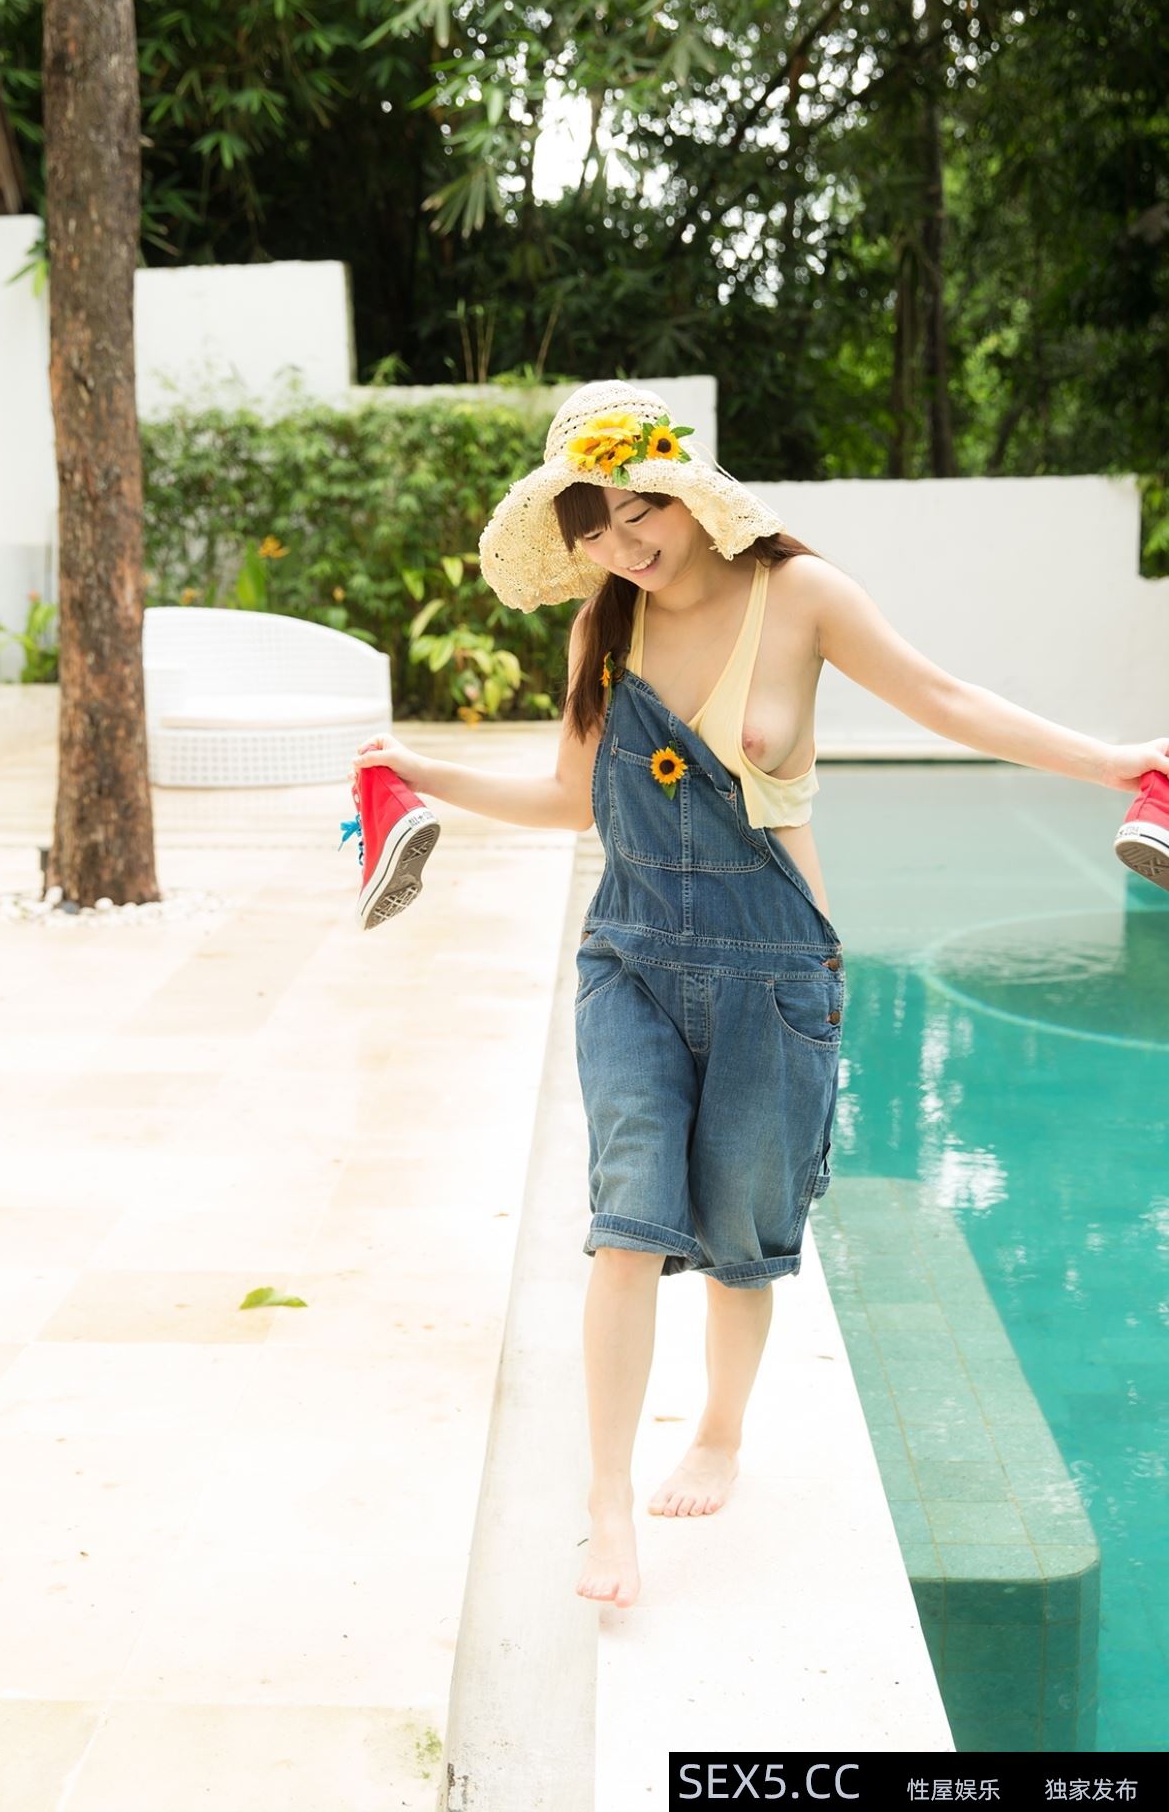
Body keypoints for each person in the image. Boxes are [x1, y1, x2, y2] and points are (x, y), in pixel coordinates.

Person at [349, 378, 1169, 1611]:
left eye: (641, 511)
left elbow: (946, 700)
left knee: (742, 1240)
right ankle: (606, 1506)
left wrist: (1111, 763)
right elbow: (572, 801)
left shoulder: (803, 596)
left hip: (775, 967)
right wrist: (425, 773)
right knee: (627, 1226)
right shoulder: (601, 633)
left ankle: (721, 1432)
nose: (626, 546)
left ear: (685, 489)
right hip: (628, 961)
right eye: (596, 530)